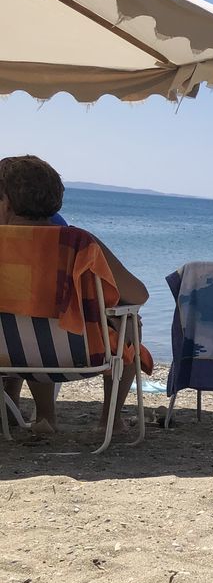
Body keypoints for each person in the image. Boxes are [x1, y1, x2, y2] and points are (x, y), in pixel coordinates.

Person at [0, 155, 149, 434]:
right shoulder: (78, 243)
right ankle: (111, 422)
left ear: (6, 201)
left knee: (33, 317)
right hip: (83, 355)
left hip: (8, 358)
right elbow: (139, 295)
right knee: (130, 325)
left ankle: (45, 417)